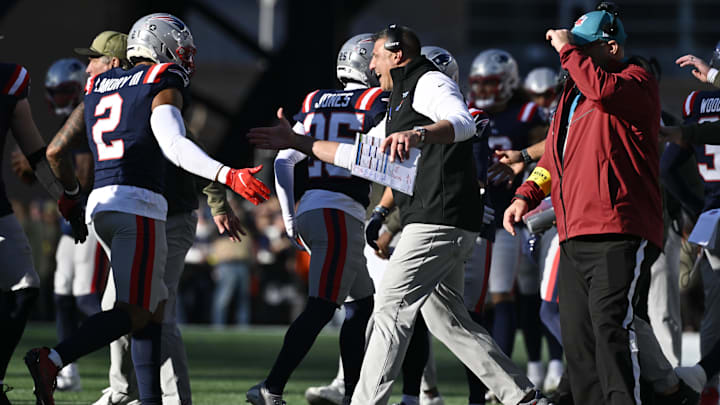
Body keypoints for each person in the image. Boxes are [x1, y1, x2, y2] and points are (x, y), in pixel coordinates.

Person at [25, 13, 269, 405]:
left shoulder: (97, 85)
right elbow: (174, 144)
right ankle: (52, 358)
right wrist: (228, 175)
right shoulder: (159, 80)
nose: (185, 59)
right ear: (158, 46)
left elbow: (59, 148)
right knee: (137, 311)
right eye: (180, 49)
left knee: (151, 308)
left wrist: (69, 195)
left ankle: (148, 399)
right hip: (139, 207)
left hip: (102, 204)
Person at [502, 8, 672, 405]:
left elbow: (603, 91)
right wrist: (524, 195)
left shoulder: (635, 81)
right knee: (578, 342)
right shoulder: (573, 97)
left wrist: (566, 51)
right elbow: (553, 159)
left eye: (581, 49)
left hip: (619, 227)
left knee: (612, 331)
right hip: (574, 232)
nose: (569, 56)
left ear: (611, 47)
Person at [245, 33, 382, 405]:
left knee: (362, 304)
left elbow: (286, 159)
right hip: (339, 213)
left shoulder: (315, 100)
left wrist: (290, 216)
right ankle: (271, 388)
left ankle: (353, 394)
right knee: (322, 306)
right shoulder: (375, 101)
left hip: (313, 208)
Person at [468, 48, 548, 398]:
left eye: (491, 83)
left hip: (507, 215)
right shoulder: (465, 112)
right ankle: (489, 375)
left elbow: (550, 149)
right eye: (479, 83)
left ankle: (498, 375)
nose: (484, 90)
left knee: (502, 294)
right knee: (475, 301)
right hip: (472, 216)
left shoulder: (528, 113)